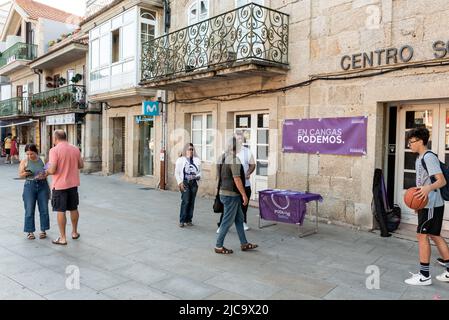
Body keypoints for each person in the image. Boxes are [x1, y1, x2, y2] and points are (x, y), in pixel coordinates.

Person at [404, 127, 449, 285]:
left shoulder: (428, 157)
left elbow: (441, 180)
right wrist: (417, 203)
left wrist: (427, 189)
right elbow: (420, 183)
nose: (409, 144)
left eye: (412, 141)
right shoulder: (419, 158)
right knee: (435, 235)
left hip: (431, 204)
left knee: (422, 236)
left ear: (421, 141)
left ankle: (424, 276)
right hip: (427, 204)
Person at [215, 137, 258, 254]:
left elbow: (218, 176)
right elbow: (237, 179)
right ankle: (218, 246)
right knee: (227, 221)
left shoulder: (222, 157)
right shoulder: (234, 159)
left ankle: (244, 243)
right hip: (231, 195)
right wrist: (244, 195)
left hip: (224, 192)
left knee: (239, 219)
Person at [45, 130, 83, 245]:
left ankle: (62, 238)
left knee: (60, 210)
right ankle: (74, 232)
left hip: (60, 185)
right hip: (73, 184)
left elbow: (52, 169)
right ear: (65, 137)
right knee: (73, 208)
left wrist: (45, 172)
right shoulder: (75, 149)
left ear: (55, 138)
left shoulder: (54, 150)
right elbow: (81, 165)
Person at [18, 144, 50, 240]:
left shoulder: (43, 160)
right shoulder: (25, 161)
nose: (29, 156)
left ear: (36, 152)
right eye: (27, 154)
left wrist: (45, 174)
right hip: (29, 186)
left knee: (44, 209)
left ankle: (43, 230)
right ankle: (30, 231)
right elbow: (20, 175)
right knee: (29, 209)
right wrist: (25, 173)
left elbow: (49, 169)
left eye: (31, 154)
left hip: (42, 185)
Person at [175, 143, 201, 228]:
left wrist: (197, 176)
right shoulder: (180, 160)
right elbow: (177, 173)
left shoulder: (197, 160)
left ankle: (189, 220)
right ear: (185, 150)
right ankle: (182, 220)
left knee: (191, 202)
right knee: (185, 201)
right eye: (189, 149)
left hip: (194, 183)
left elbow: (200, 172)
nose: (191, 151)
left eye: (192, 149)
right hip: (184, 182)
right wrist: (180, 183)